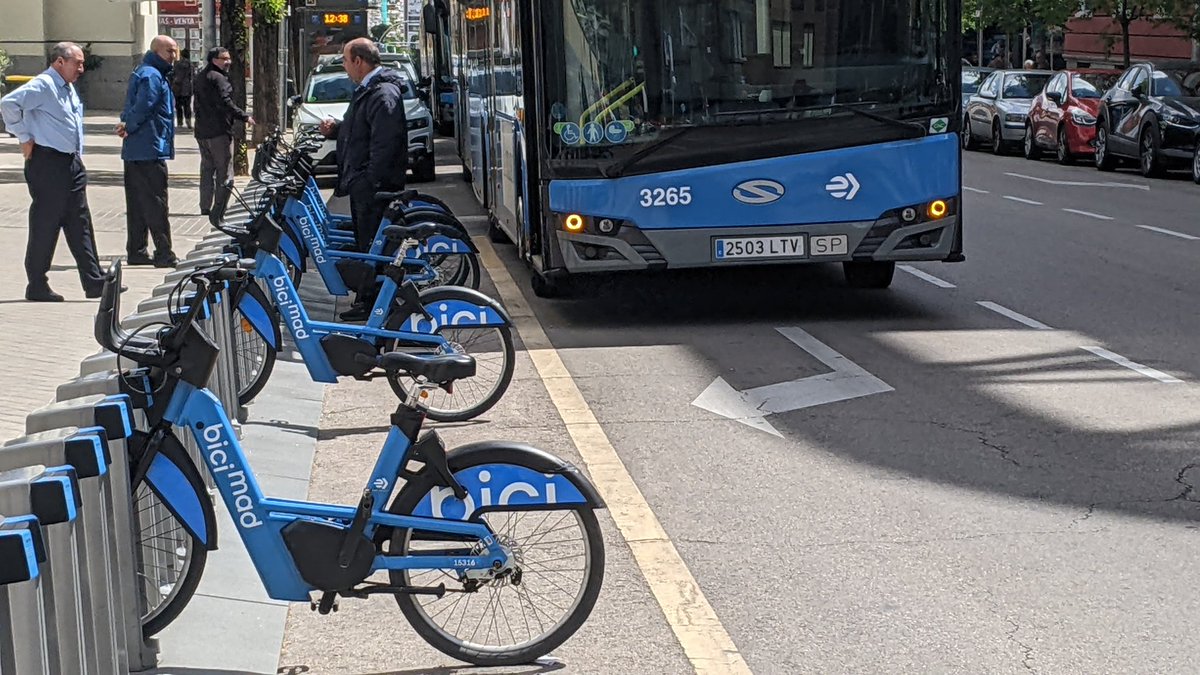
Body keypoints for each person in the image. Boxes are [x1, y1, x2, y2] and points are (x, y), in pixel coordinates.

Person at [0, 42, 109, 302]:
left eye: (82, 63)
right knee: (46, 223)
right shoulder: (44, 85)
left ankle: (93, 280)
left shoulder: (67, 87)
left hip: (69, 163)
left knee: (79, 222)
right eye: (77, 63)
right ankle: (37, 283)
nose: (81, 68)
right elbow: (8, 103)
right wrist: (24, 136)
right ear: (59, 62)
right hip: (48, 163)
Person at [318, 37, 407, 319]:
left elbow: (384, 143)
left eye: (345, 61)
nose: (344, 67)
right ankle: (367, 301)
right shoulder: (369, 90)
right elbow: (361, 129)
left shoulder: (382, 93)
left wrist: (368, 180)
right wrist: (336, 130)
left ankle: (373, 306)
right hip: (366, 185)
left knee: (372, 247)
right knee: (366, 243)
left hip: (374, 189)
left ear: (358, 61)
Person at [117, 35, 179, 268]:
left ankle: (137, 251)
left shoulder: (147, 72)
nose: (173, 56)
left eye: (174, 52)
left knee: (137, 203)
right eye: (168, 51)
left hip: (137, 150)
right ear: (156, 51)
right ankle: (164, 253)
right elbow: (144, 106)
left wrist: (126, 125)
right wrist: (129, 126)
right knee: (156, 202)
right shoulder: (152, 76)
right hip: (149, 148)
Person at [192, 46, 253, 217]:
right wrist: (244, 116)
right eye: (224, 59)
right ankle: (220, 208)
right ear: (214, 60)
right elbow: (225, 102)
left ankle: (205, 206)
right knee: (224, 170)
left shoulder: (200, 77)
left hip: (202, 131)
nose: (228, 62)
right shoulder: (219, 79)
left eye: (228, 58)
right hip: (219, 131)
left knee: (206, 169)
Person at [172, 48, 195, 128]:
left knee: (178, 106)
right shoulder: (190, 64)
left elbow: (174, 75)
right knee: (187, 106)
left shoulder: (177, 63)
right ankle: (188, 122)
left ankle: (179, 122)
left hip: (178, 88)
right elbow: (192, 76)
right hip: (187, 88)